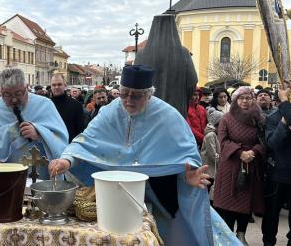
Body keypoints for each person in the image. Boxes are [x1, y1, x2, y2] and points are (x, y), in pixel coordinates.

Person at [49, 65, 239, 245]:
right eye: (124, 94)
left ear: (149, 95)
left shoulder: (168, 116)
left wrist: (187, 176)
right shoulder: (110, 112)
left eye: (136, 95)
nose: (128, 100)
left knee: (169, 237)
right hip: (118, 192)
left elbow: (186, 155)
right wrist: (67, 160)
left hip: (161, 190)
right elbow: (86, 141)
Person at [0, 68, 68, 179]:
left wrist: (39, 133)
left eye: (18, 93)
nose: (14, 100)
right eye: (7, 95)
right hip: (6, 178)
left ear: (26, 87)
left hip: (42, 177)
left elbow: (61, 138)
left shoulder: (45, 105)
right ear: (1, 90)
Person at [213, 86, 266, 245]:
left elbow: (264, 141)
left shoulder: (259, 118)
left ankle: (241, 234)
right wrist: (239, 152)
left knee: (245, 204)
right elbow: (222, 141)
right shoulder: (227, 118)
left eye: (248, 98)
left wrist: (254, 151)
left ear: (252, 100)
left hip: (250, 164)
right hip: (231, 165)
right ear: (235, 100)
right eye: (241, 98)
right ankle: (227, 237)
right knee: (229, 204)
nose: (245, 101)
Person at [261, 82, 291, 246]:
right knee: (271, 215)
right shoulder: (273, 118)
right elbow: (272, 143)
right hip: (277, 175)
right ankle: (268, 242)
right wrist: (284, 124)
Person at [50, 74, 86, 142]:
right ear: (51, 87)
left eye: (59, 84)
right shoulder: (46, 105)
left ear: (65, 86)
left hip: (70, 147)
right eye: (54, 85)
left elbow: (80, 131)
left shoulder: (76, 105)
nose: (56, 87)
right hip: (50, 146)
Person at [200, 109, 224, 200]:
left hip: (213, 168)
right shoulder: (211, 135)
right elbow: (212, 154)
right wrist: (222, 161)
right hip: (209, 169)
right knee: (207, 190)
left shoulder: (216, 133)